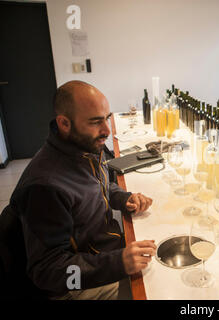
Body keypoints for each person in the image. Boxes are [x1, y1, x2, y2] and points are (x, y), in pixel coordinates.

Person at [10, 80, 156, 299]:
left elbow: (101, 184)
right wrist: (118, 263)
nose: (107, 130)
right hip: (77, 285)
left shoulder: (86, 145)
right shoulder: (45, 186)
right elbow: (47, 273)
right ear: (64, 123)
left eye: (107, 118)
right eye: (96, 122)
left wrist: (123, 198)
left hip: (107, 250)